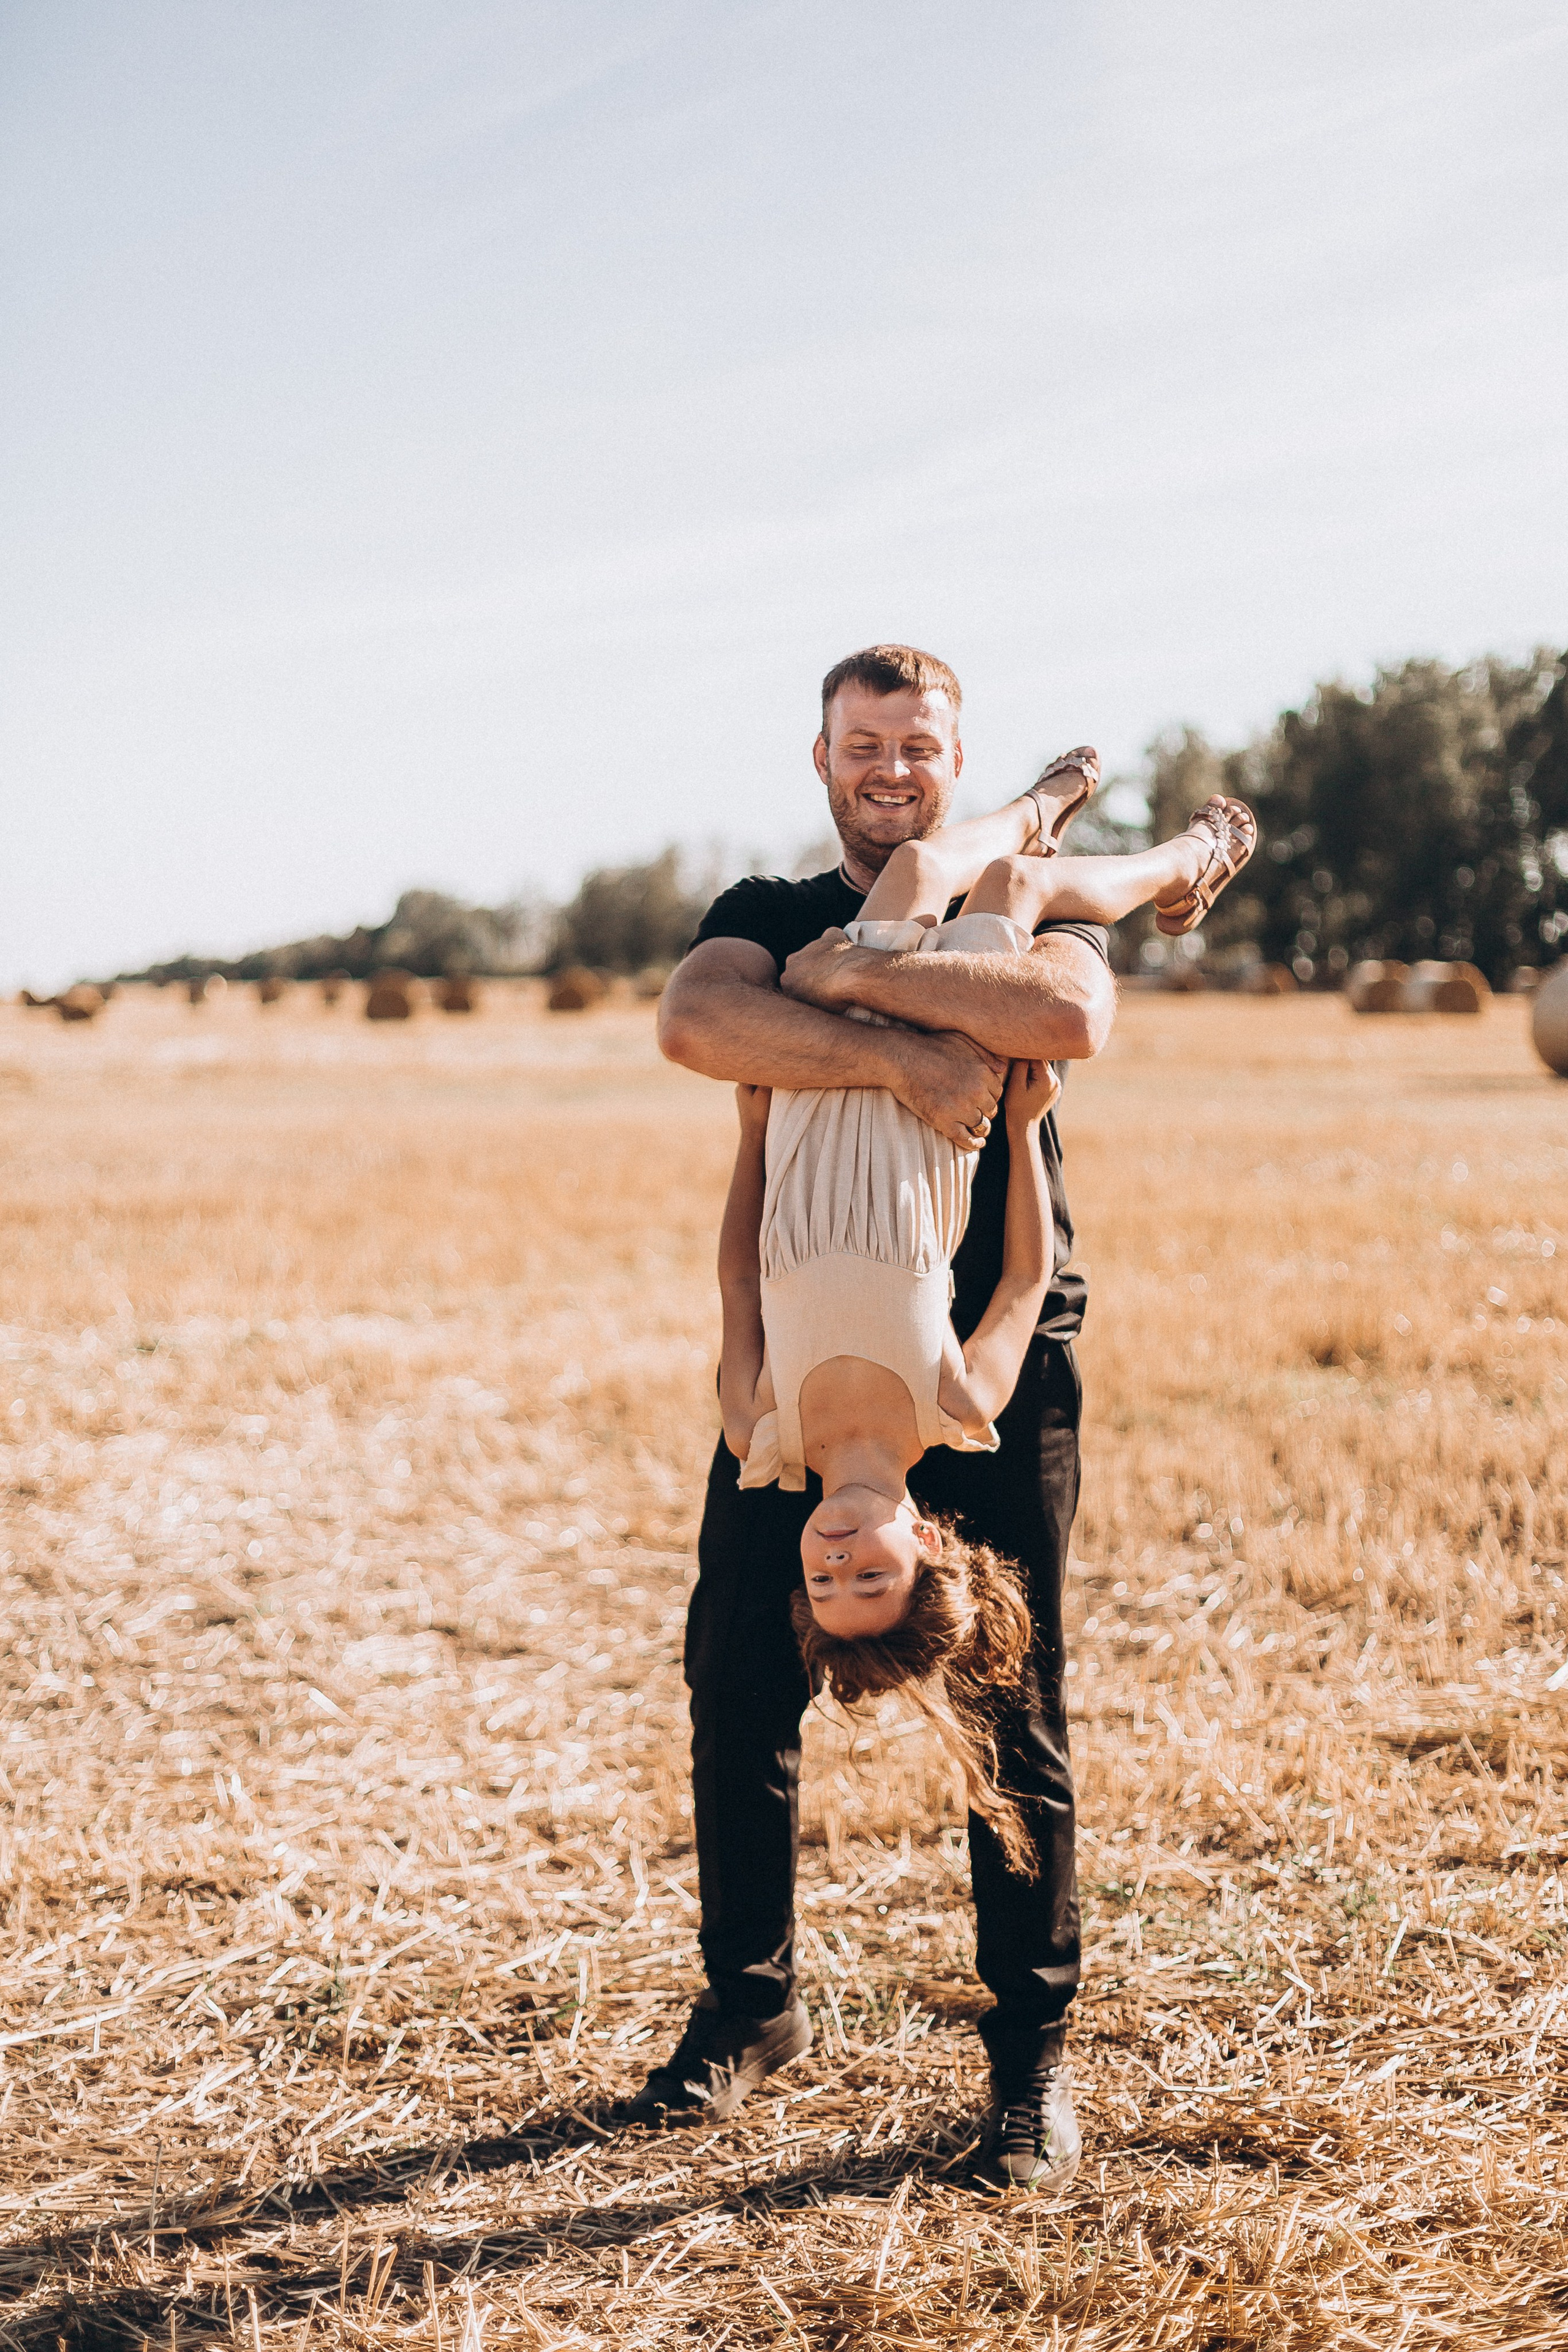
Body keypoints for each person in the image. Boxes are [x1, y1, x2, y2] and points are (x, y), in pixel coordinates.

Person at [630, 644, 1164, 2187]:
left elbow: (1064, 1011)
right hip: (807, 1398)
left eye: (918, 745)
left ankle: (1029, 2057)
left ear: (951, 761)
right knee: (734, 1674)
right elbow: (696, 1024)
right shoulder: (761, 915)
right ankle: (747, 2010)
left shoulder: (1003, 908)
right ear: (820, 760)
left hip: (996, 1368)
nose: (889, 768)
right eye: (863, 743)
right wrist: (917, 1056)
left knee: (1018, 1705)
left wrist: (861, 989)